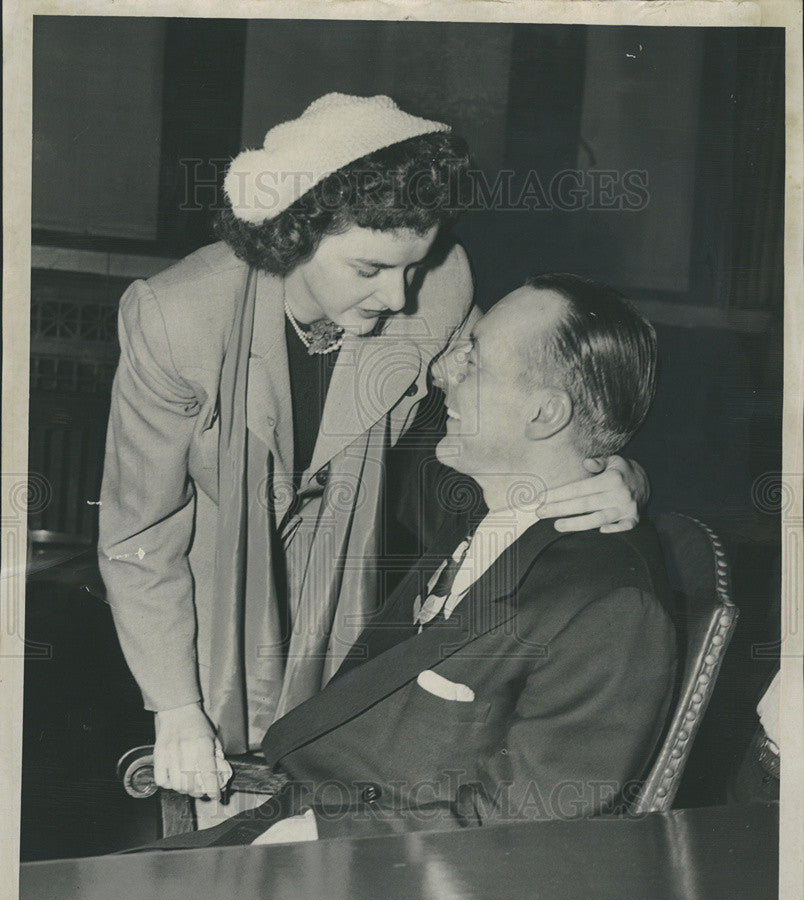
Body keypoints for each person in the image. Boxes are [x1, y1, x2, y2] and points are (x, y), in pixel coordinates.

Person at [99, 93, 646, 820]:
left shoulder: (434, 286)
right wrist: (176, 709)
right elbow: (141, 534)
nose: (398, 295)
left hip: (347, 619)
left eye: (413, 266)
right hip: (202, 617)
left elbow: (541, 403)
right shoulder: (177, 318)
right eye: (370, 270)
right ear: (294, 237)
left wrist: (618, 472)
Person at [131, 273, 677, 850]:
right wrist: (628, 471)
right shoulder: (487, 502)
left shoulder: (611, 608)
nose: (448, 373)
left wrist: (315, 836)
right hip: (303, 827)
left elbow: (527, 827)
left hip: (368, 876)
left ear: (545, 415)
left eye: (474, 362)